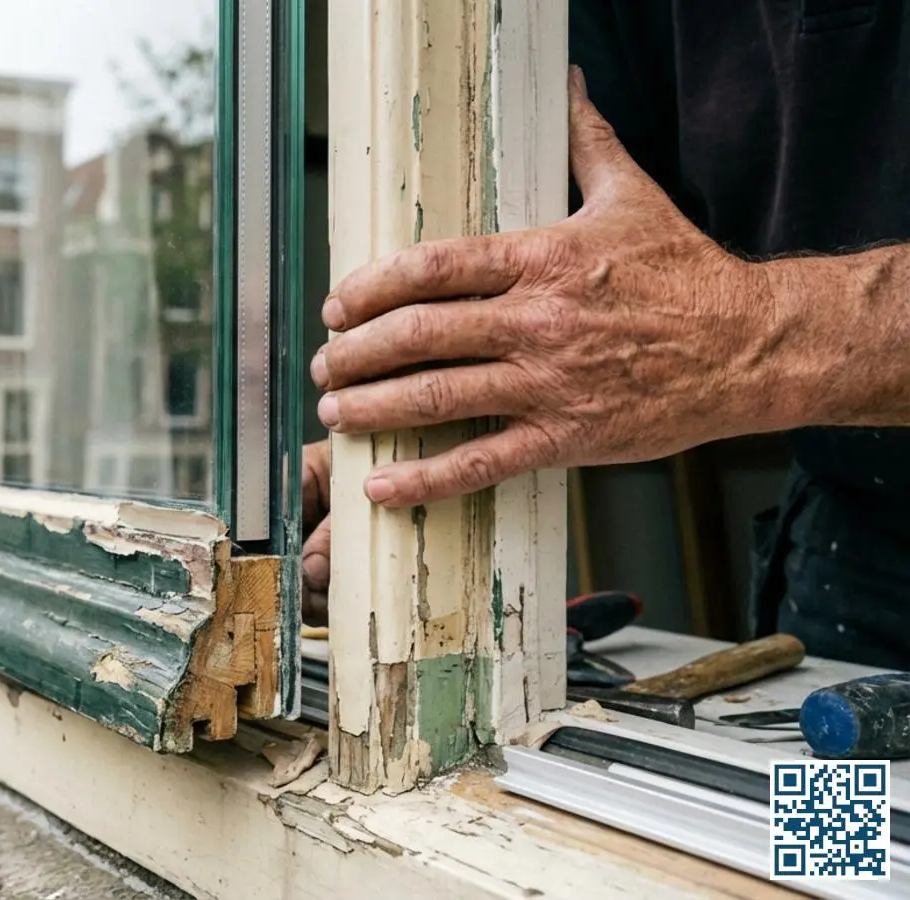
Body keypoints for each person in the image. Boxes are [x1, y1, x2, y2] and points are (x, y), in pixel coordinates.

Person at [300, 1, 910, 669]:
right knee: (830, 781)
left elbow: (683, 319)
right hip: (858, 547)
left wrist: (750, 335)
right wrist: (408, 437)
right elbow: (556, 272)